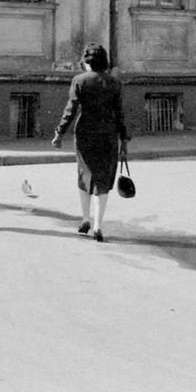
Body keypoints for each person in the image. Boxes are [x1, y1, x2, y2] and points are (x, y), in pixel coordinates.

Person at [52, 44, 129, 243]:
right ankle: (97, 226)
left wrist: (59, 134)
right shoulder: (114, 83)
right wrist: (124, 140)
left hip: (85, 134)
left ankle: (85, 218)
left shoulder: (79, 80)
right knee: (102, 179)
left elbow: (70, 110)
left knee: (84, 174)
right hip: (108, 134)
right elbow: (120, 114)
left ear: (87, 62)